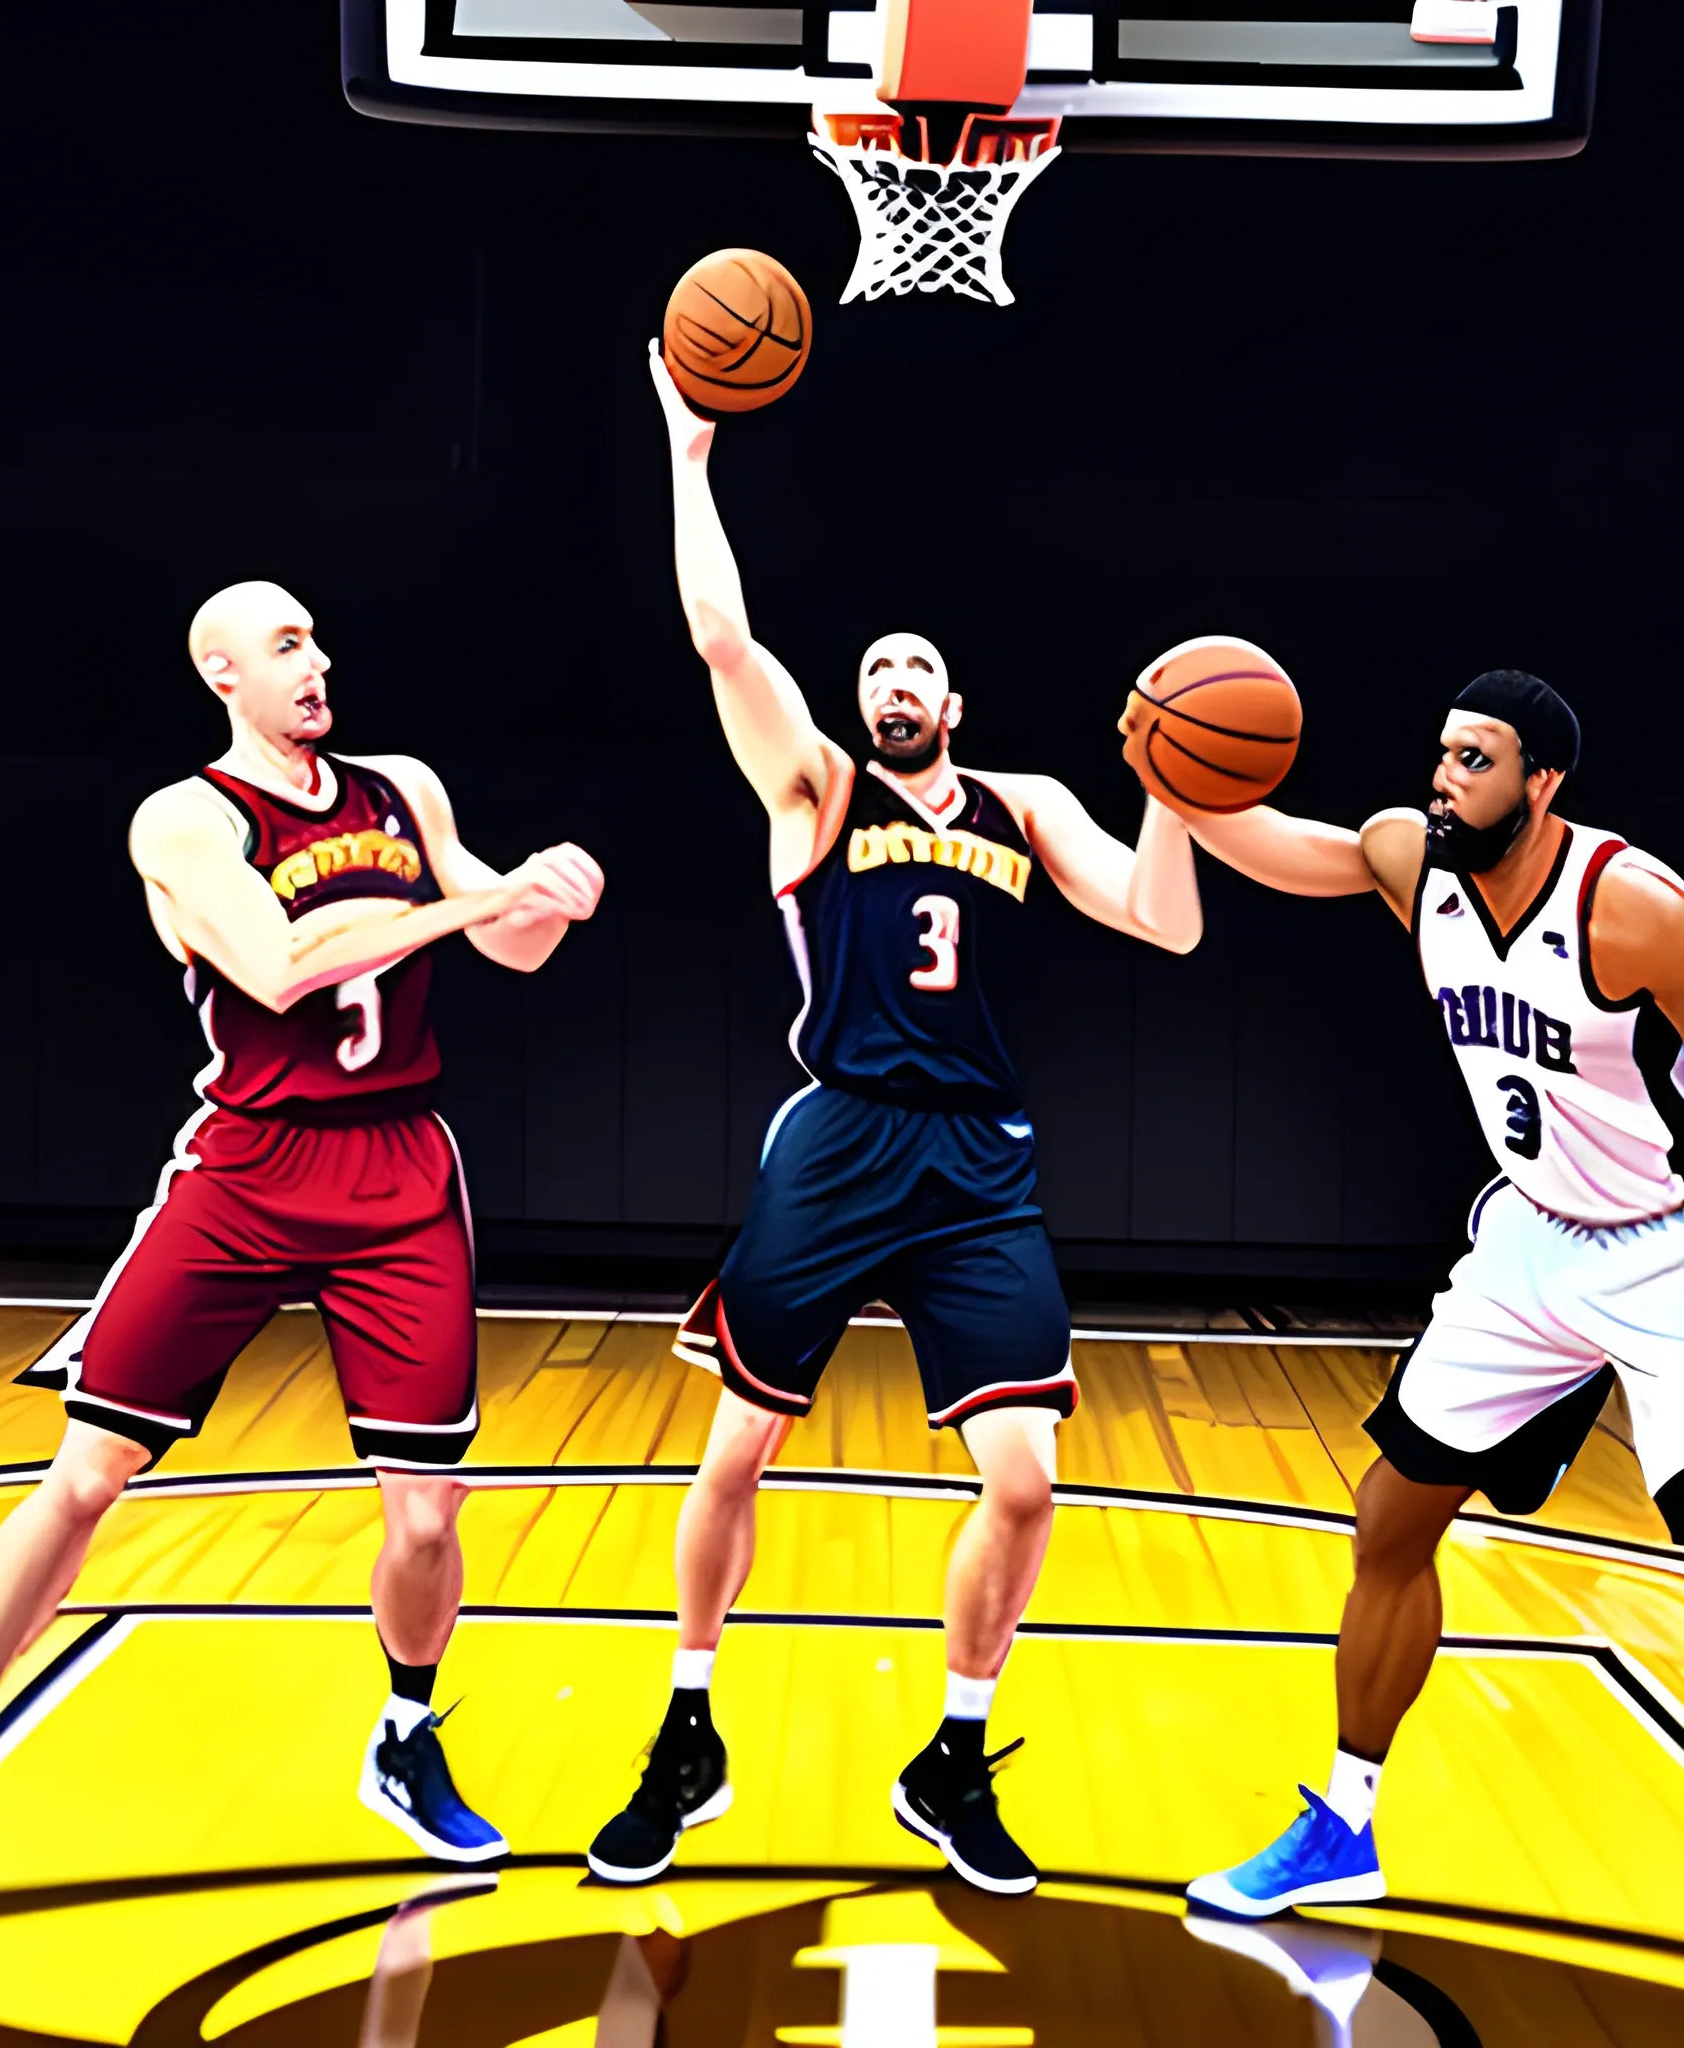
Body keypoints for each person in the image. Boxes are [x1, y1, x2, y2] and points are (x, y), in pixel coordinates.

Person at [1139, 667, 1684, 2015]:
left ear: (1541, 784)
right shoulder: (1411, 864)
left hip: (1674, 1251)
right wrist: (1170, 765)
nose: (1445, 778)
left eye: (1476, 761)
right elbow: (1267, 834)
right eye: (1441, 755)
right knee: (1391, 1516)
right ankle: (1347, 1825)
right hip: (1530, 1241)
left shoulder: (1635, 910)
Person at [0, 581, 604, 1914]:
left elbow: (520, 950)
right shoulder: (187, 819)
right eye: (284, 645)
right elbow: (278, 972)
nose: (316, 662)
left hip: (397, 1169)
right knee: (88, 1478)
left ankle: (406, 1737)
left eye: (318, 638)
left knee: (430, 1507)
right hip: (246, 1170)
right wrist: (452, 911)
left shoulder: (401, 788)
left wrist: (549, 894)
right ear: (221, 673)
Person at [585, 349, 1205, 1896]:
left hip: (979, 1163)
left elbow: (1164, 926)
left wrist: (1180, 793)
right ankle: (688, 1724)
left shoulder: (1031, 803)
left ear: (958, 698)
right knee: (736, 1452)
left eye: (915, 669)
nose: (892, 686)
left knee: (1025, 1482)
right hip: (840, 1140)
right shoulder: (816, 790)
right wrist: (688, 454)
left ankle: (953, 1752)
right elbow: (723, 638)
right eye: (875, 671)